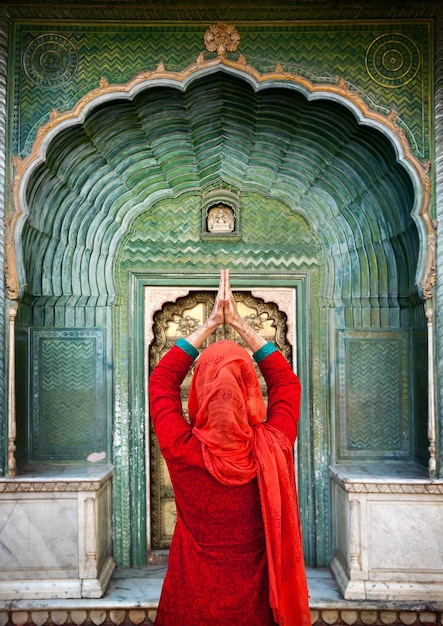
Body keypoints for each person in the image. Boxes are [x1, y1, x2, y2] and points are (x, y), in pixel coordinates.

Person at [149, 269, 310, 626]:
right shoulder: (272, 446)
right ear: (250, 390)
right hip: (255, 607)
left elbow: (161, 381)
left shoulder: (182, 448)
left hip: (192, 599)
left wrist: (208, 326)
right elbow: (286, 384)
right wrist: (240, 325)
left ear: (200, 391)